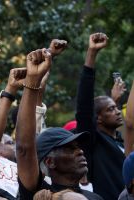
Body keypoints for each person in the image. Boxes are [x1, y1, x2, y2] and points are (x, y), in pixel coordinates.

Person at [15, 45, 103, 199]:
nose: (80, 151)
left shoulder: (95, 197)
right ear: (50, 162)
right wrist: (32, 81)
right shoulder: (38, 191)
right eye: (70, 149)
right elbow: (24, 148)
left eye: (78, 147)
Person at [75, 33, 134, 200]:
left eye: (116, 108)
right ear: (98, 118)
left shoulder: (121, 141)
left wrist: (113, 99)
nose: (117, 111)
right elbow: (84, 107)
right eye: (111, 109)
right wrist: (92, 54)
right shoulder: (93, 142)